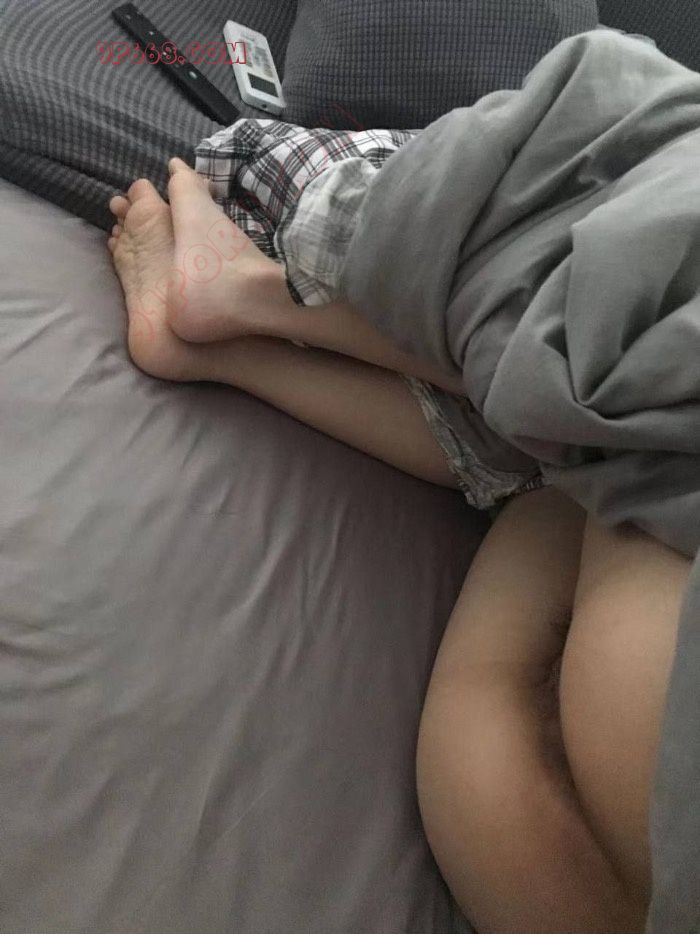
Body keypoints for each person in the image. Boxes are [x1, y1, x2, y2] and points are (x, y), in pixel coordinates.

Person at [107, 152, 691, 934]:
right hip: (577, 874)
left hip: (644, 736)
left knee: (627, 370)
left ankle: (248, 295)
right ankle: (223, 345)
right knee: (569, 472)